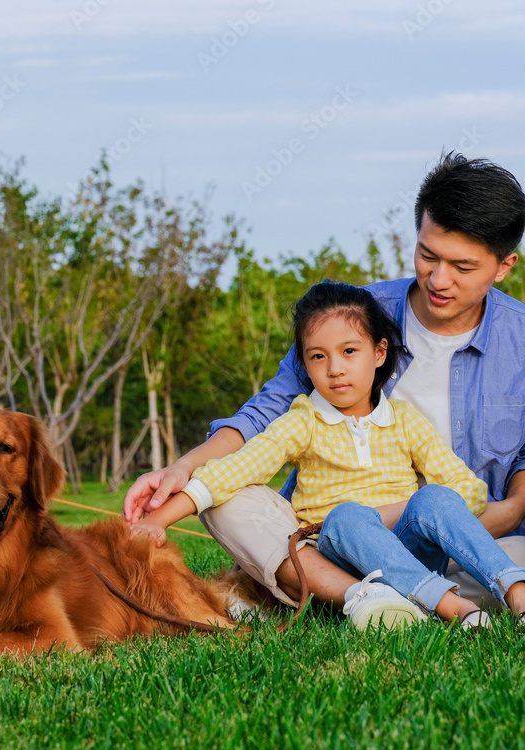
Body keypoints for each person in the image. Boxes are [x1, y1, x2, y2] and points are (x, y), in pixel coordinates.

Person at [123, 152, 525, 626]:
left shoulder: (518, 338)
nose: (439, 279)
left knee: (505, 549)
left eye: (462, 266)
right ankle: (363, 594)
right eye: (428, 255)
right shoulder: (349, 317)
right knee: (227, 497)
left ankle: (355, 594)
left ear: (504, 266)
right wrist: (183, 467)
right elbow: (263, 416)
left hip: (467, 530)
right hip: (328, 532)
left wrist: (512, 509)